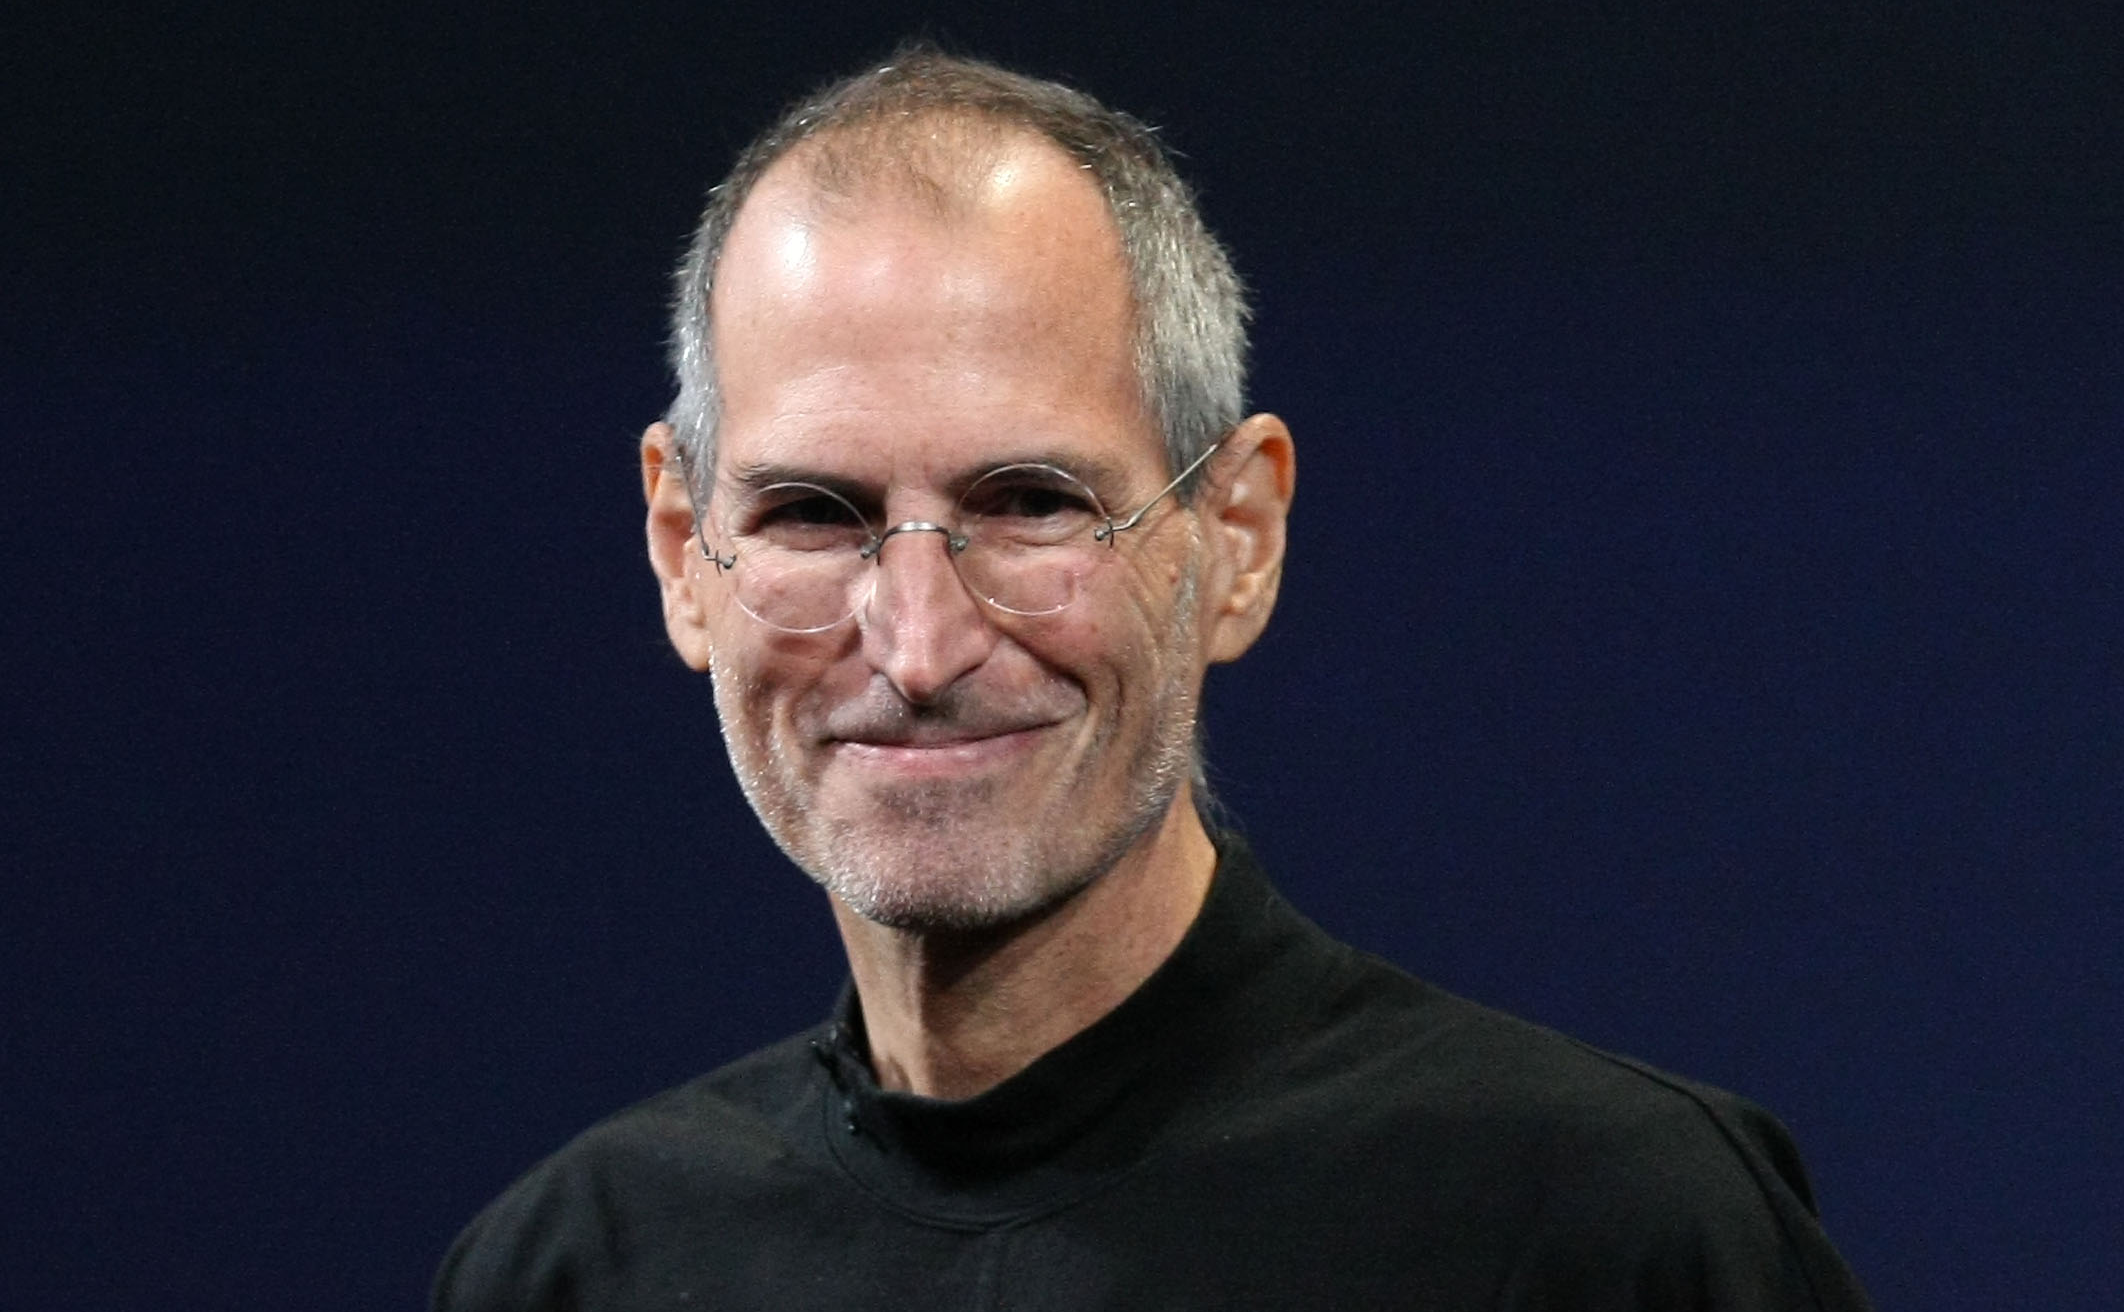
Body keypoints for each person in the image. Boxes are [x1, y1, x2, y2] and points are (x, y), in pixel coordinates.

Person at [435, 49, 1873, 1311]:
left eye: (1031, 504)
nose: (918, 645)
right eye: (813, 514)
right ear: (683, 553)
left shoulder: (1598, 1232)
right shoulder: (572, 1270)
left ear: (1236, 539)